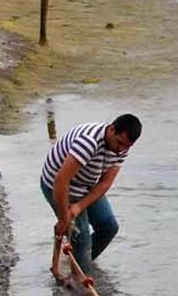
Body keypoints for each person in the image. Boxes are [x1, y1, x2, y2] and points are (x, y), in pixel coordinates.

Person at [41, 114, 142, 274]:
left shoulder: (121, 148)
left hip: (87, 184)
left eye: (127, 147)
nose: (121, 150)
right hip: (59, 184)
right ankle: (79, 277)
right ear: (111, 130)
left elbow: (105, 183)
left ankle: (75, 265)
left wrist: (79, 207)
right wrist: (64, 218)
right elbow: (61, 180)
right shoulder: (89, 142)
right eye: (120, 143)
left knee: (109, 227)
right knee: (81, 240)